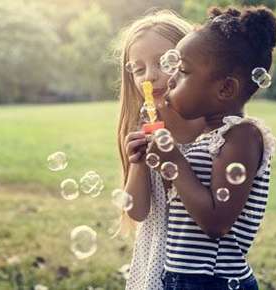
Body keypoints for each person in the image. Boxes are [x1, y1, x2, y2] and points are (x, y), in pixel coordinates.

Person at [146, 5, 276, 290]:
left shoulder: (242, 136)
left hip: (213, 280)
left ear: (225, 89)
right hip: (183, 277)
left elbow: (217, 222)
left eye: (182, 71)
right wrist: (161, 160)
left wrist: (174, 161)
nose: (171, 79)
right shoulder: (209, 137)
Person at [114, 10, 205, 289]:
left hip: (197, 266)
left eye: (162, 62)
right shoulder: (142, 129)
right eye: (139, 69)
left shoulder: (210, 128)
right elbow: (138, 212)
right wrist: (139, 163)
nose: (150, 76)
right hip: (153, 262)